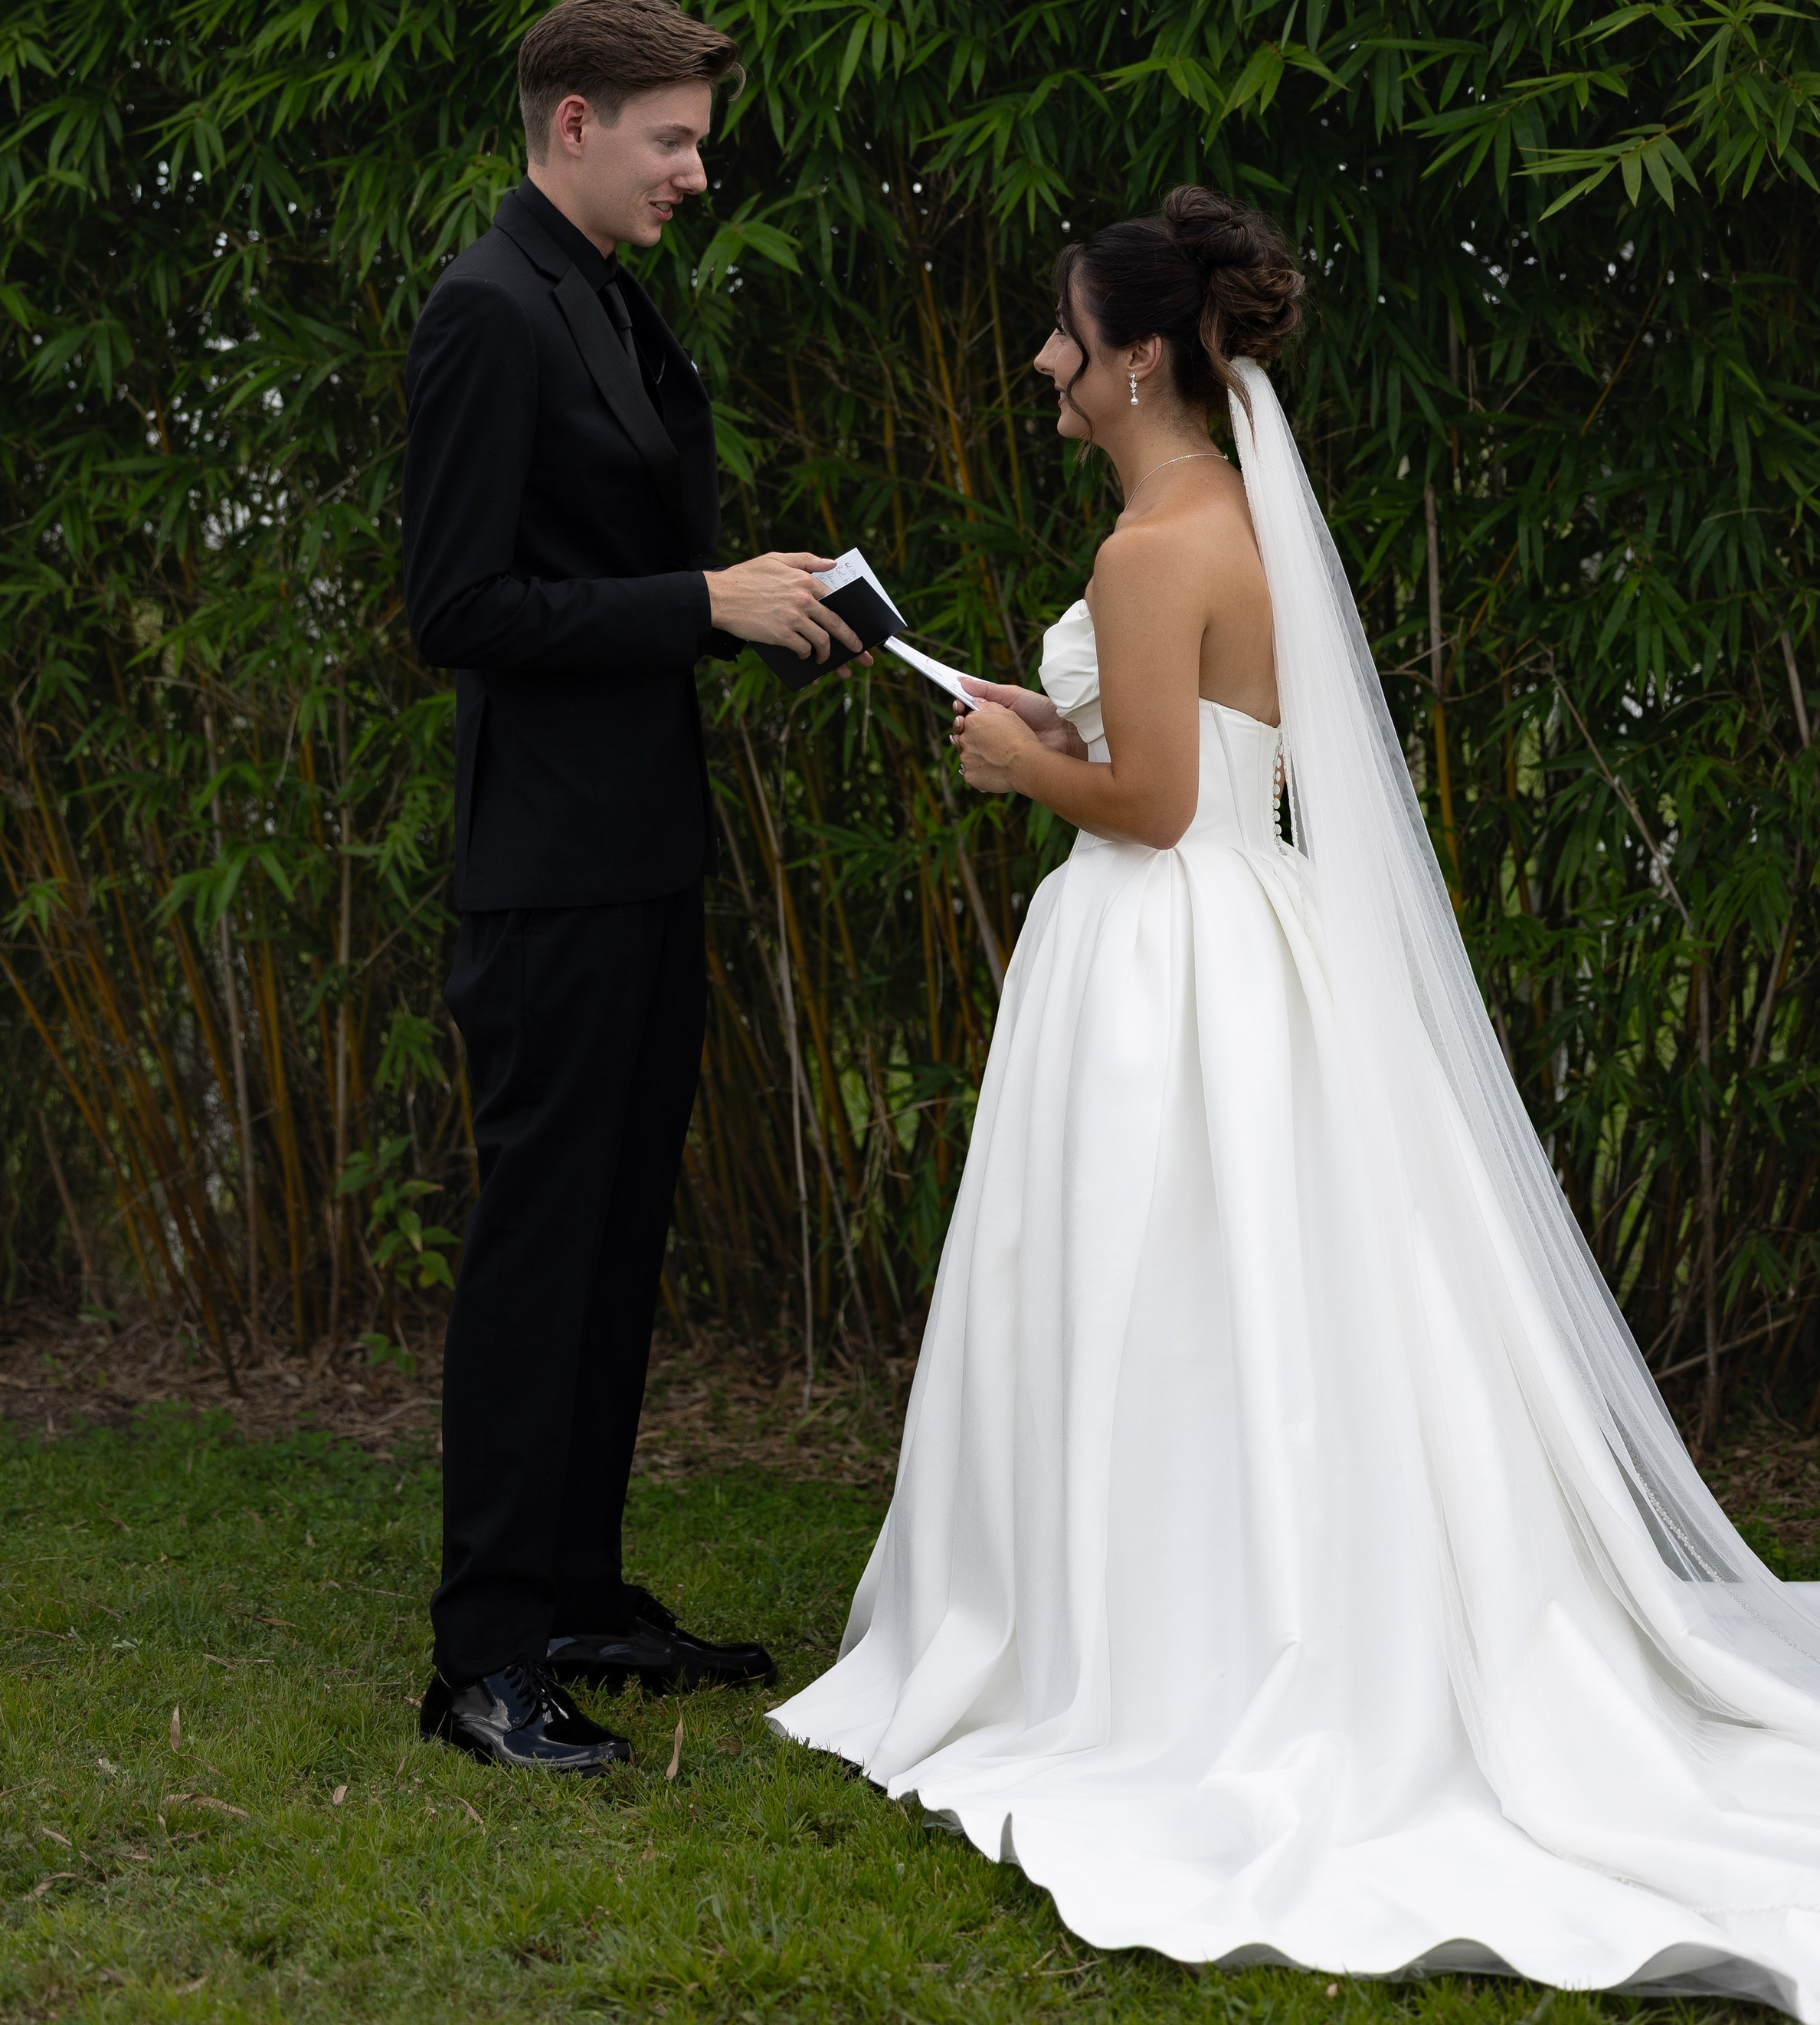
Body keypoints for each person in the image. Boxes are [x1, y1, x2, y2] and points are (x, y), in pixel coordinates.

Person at [773, 186, 1820, 2014]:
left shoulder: (1141, 550)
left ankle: (1153, 1643)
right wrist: (1061, 729)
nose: (1039, 362)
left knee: (1150, 1295)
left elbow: (1155, 805)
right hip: (1257, 942)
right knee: (1262, 1291)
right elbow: (1209, 760)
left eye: (1060, 335)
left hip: (1165, 943)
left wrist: (1027, 768)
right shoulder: (1225, 517)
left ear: (1138, 356)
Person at [404, 0, 865, 1773]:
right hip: (544, 874)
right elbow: (457, 610)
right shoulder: (483, 309)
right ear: (574, 120)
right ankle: (481, 1662)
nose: (698, 169)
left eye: (698, 139)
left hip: (638, 848)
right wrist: (698, 606)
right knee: (538, 1256)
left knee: (613, 1247)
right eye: (672, 138)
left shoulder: (602, 296)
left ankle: (577, 1592)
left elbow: (613, 551)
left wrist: (753, 591)